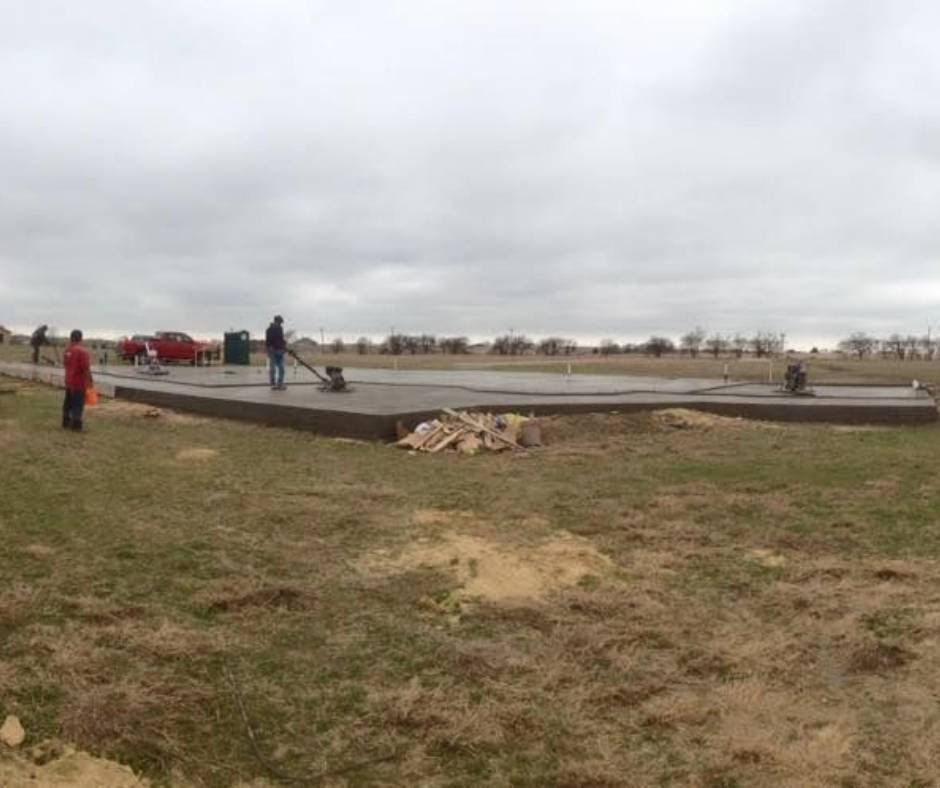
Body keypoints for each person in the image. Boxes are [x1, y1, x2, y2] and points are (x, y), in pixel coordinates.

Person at [62, 329, 93, 431]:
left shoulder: (67, 350)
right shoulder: (82, 351)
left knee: (68, 402)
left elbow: (66, 365)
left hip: (68, 381)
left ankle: (65, 421)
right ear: (81, 338)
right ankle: (76, 425)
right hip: (79, 382)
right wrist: (90, 382)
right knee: (78, 404)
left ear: (71, 337)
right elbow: (86, 369)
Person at [265, 314, 287, 390]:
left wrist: (284, 347)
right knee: (274, 368)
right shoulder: (270, 329)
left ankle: (279, 384)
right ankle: (274, 384)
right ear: (276, 321)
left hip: (279, 351)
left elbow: (281, 339)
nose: (280, 324)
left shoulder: (280, 328)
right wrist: (270, 348)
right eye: (279, 322)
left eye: (281, 323)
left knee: (280, 368)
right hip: (273, 351)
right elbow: (268, 341)